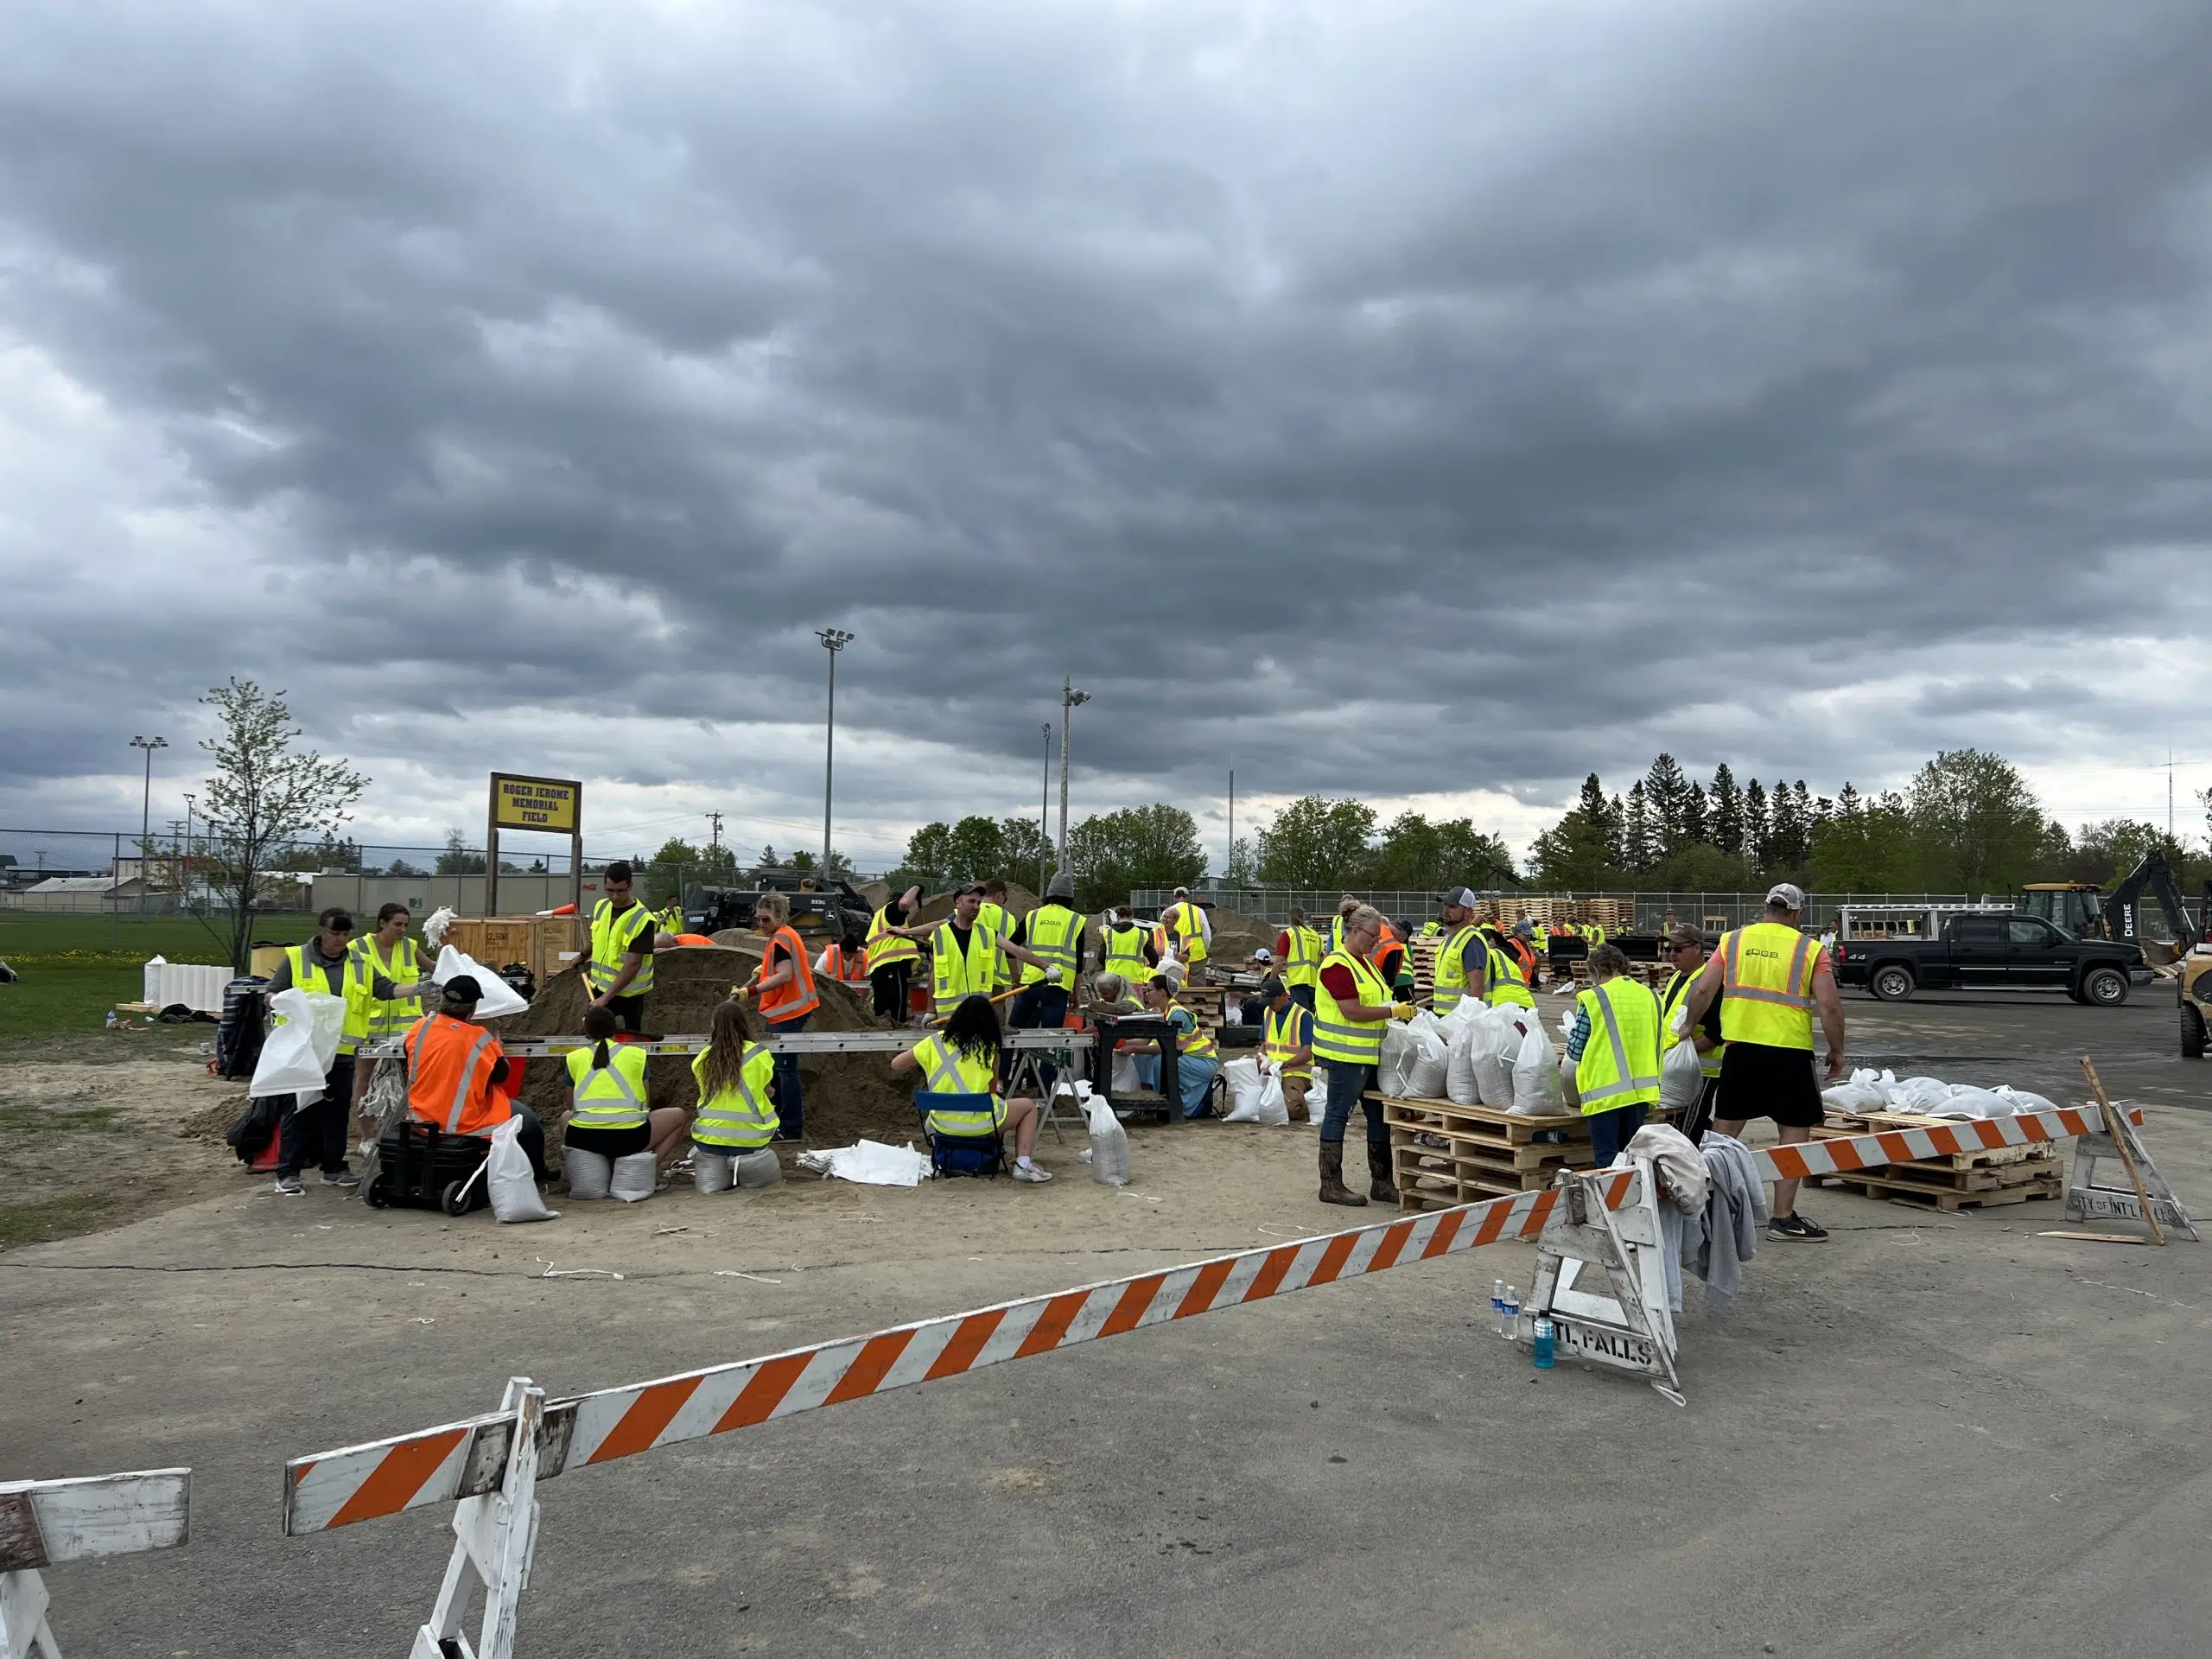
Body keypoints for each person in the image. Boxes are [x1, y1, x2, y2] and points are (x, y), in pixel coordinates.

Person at [1675, 883, 1848, 1242]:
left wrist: (1690, 1025)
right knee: (1794, 1132)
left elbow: (1704, 988)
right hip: (1790, 1053)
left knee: (1724, 1134)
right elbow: (1829, 1005)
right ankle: (1783, 1218)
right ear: (1797, 913)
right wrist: (1837, 1050)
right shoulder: (1810, 949)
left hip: (1741, 1052)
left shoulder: (1732, 941)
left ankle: (1704, 1211)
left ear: (1766, 907)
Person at [265, 907, 429, 1195]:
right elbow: (272, 993)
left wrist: (419, 989)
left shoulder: (359, 962)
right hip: (306, 1051)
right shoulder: (296, 959)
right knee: (298, 1111)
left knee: (337, 1112)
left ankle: (333, 1168)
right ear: (321, 930)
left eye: (345, 934)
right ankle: (288, 1172)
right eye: (334, 933)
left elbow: (385, 988)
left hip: (342, 1050)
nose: (340, 940)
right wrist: (284, 1002)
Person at [892, 992, 1052, 1182]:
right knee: (1028, 1107)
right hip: (981, 1125)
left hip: (941, 1124)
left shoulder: (934, 1042)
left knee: (932, 1117)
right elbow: (992, 1093)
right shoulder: (989, 1047)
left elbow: (896, 1064)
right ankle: (1023, 1165)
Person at [1313, 905, 1411, 1206]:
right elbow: (1351, 1011)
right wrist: (1392, 1010)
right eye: (1373, 935)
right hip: (1345, 1055)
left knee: (1378, 1116)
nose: (1376, 941)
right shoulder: (1337, 965)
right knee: (1338, 1114)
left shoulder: (1365, 964)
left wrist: (1397, 1011)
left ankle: (1382, 1183)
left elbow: (1377, 999)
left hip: (1369, 1056)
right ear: (1354, 931)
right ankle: (1330, 1184)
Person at [402, 976, 548, 1179]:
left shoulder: (420, 1027)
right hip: (463, 1122)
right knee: (527, 1121)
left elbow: (409, 1056)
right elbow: (501, 1075)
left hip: (421, 1118)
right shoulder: (480, 1038)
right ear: (472, 1008)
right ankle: (536, 1174)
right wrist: (496, 1045)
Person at [888, 883, 1067, 1017]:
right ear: (958, 903)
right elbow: (936, 973)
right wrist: (930, 1009)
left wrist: (1046, 967)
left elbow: (1017, 950)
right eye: (971, 901)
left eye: (978, 902)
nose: (976, 906)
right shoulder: (943, 933)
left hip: (979, 1013)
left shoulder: (987, 934)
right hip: (949, 1016)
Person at [1561, 944, 1664, 1166]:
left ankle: (1613, 1202)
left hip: (1605, 1093)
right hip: (1642, 1092)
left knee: (1608, 1160)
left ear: (1597, 972)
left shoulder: (1594, 998)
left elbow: (1575, 1050)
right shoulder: (1651, 996)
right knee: (1635, 1158)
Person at [565, 1004, 691, 1177]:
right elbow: (645, 1101)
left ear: (586, 1029)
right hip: (630, 1138)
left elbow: (571, 1105)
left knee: (565, 1117)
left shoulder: (574, 1058)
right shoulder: (636, 1055)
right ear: (615, 1029)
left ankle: (589, 1169)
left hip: (584, 1139)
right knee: (678, 1115)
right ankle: (644, 1171)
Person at [741, 891, 819, 1141]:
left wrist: (751, 990)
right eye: (758, 919)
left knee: (786, 1070)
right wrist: (765, 970)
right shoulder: (787, 935)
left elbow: (785, 975)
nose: (761, 924)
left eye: (766, 920)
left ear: (780, 916)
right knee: (782, 1068)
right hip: (793, 1008)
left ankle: (790, 1128)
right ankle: (784, 1121)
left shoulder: (780, 940)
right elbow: (786, 968)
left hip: (788, 1010)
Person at [347, 903, 429, 1117]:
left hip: (406, 1030)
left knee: (409, 1080)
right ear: (382, 923)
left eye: (405, 925)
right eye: (397, 924)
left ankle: (403, 1128)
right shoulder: (357, 948)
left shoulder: (410, 947)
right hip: (370, 1027)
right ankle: (366, 1136)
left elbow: (434, 966)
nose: (402, 929)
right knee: (364, 1078)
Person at [690, 998, 780, 1168]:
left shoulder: (702, 1058)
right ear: (744, 1024)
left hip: (709, 1139)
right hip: (751, 1140)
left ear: (714, 1026)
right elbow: (766, 1089)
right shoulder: (759, 1054)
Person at [1659, 925, 1725, 1143]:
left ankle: (1692, 1166)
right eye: (1669, 947)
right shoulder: (1677, 979)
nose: (1672, 953)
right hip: (1675, 1068)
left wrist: (1686, 1053)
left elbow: (1718, 1032)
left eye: (1679, 948)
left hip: (1700, 1070)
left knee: (1687, 1126)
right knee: (1673, 1122)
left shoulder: (1708, 982)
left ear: (1697, 949)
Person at [586, 862, 662, 1032]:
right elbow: (597, 938)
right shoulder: (602, 906)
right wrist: (583, 955)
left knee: (630, 1039)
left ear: (630, 886)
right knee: (597, 1037)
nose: (614, 897)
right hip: (599, 988)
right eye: (610, 891)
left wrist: (606, 998)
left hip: (629, 995)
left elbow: (634, 963)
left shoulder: (643, 919)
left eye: (620, 891)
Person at [1132, 974, 1220, 1119]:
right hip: (1189, 1058)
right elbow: (1144, 1041)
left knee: (1160, 1062)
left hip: (1203, 1062)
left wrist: (1132, 1048)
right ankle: (1149, 1100)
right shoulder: (1159, 1012)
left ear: (1162, 992)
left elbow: (1166, 1049)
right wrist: (1121, 1043)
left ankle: (1167, 1101)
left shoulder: (1177, 1014)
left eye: (1149, 990)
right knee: (1142, 1057)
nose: (1146, 994)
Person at [1257, 976, 1314, 1123]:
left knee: (1291, 1109)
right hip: (1271, 1070)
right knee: (1254, 1101)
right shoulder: (1268, 1012)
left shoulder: (1303, 1016)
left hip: (1295, 1071)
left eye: (1272, 1002)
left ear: (1284, 996)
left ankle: (1310, 1098)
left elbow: (1307, 1053)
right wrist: (1261, 1057)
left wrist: (1283, 1065)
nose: (1270, 1006)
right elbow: (1264, 1043)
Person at [865, 884, 924, 1022]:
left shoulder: (880, 917)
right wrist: (917, 888)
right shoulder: (893, 910)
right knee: (896, 1012)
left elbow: (894, 939)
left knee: (882, 1012)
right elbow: (904, 904)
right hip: (892, 966)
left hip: (880, 968)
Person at [1430, 889, 1486, 1016]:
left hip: (1458, 1022)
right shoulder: (1450, 940)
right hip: (1445, 1018)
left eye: (1453, 906)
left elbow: (1477, 987)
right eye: (1445, 905)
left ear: (1468, 911)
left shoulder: (1471, 941)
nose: (1446, 910)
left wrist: (1465, 1025)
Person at [1274, 907, 1323, 1014]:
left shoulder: (1289, 934)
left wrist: (1271, 979)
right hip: (1314, 983)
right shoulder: (1316, 936)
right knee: (1310, 1016)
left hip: (1298, 981)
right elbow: (1322, 961)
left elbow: (1279, 962)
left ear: (1289, 918)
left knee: (1300, 1017)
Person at [1479, 922, 1535, 1009]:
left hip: (1504, 1002)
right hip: (1525, 999)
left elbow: (1485, 982)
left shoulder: (1491, 954)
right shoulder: (1507, 954)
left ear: (1491, 941)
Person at [1163, 887, 1211, 981]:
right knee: (1197, 987)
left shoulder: (1167, 912)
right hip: (1196, 954)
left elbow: (1162, 934)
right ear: (1187, 896)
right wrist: (1205, 949)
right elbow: (1207, 934)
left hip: (1175, 954)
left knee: (1177, 983)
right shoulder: (1198, 911)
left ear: (1175, 897)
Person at [1102, 906, 1154, 988]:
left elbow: (1101, 958)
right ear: (1131, 917)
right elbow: (1153, 958)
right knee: (1133, 1002)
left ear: (1117, 917)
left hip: (1112, 981)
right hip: (1134, 980)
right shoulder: (1141, 934)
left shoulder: (1108, 933)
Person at [976, 879, 1015, 990]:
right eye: (1005, 897)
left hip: (973, 973)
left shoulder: (972, 910)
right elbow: (1011, 949)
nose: (1004, 901)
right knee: (996, 1006)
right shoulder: (1008, 918)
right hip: (997, 979)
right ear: (999, 895)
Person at [815, 925, 873, 990]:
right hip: (834, 990)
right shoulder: (828, 955)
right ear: (840, 951)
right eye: (845, 955)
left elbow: (867, 982)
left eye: (851, 955)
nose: (847, 958)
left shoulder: (864, 956)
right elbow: (817, 975)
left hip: (857, 991)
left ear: (856, 952)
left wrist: (862, 1000)